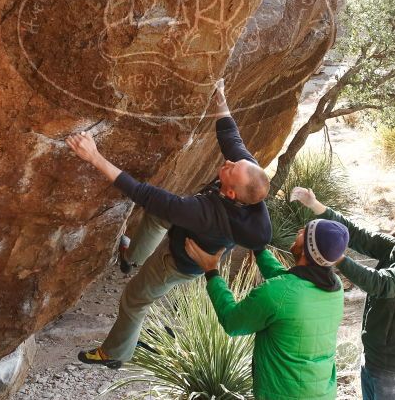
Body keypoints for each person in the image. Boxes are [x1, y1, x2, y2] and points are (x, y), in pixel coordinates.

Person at [65, 81, 271, 369]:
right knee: (159, 217)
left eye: (229, 169)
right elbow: (231, 138)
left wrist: (94, 156)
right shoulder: (247, 182)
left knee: (134, 299)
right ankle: (131, 257)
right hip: (190, 234)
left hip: (177, 261)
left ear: (231, 193)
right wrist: (220, 100)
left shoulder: (204, 213)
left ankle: (114, 353)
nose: (227, 162)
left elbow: (143, 194)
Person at [290, 187, 395, 400]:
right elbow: (357, 235)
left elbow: (382, 284)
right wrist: (314, 204)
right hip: (374, 358)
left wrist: (337, 258)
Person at [185, 219, 349, 400]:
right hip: (322, 392)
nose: (300, 230)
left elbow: (232, 322)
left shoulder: (278, 293)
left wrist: (211, 271)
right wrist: (259, 250)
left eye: (305, 232)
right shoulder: (335, 287)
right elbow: (289, 284)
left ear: (306, 250)